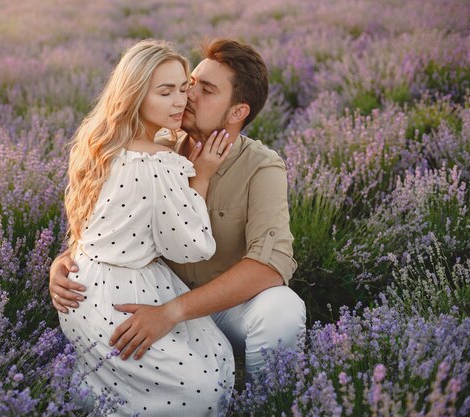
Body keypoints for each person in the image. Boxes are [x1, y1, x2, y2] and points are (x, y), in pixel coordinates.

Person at [51, 38, 306, 379]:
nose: (188, 96)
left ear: (237, 112)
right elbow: (111, 216)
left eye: (207, 90)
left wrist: (172, 312)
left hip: (216, 307)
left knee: (283, 309)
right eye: (191, 85)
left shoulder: (262, 167)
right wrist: (70, 258)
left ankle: (267, 401)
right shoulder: (157, 146)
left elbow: (269, 267)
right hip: (150, 293)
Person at [59, 39, 235, 416]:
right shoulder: (159, 163)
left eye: (183, 89)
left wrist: (61, 259)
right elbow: (191, 248)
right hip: (120, 298)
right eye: (165, 91)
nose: (181, 102)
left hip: (83, 292)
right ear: (136, 95)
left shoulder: (99, 143)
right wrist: (200, 178)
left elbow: (91, 224)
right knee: (207, 383)